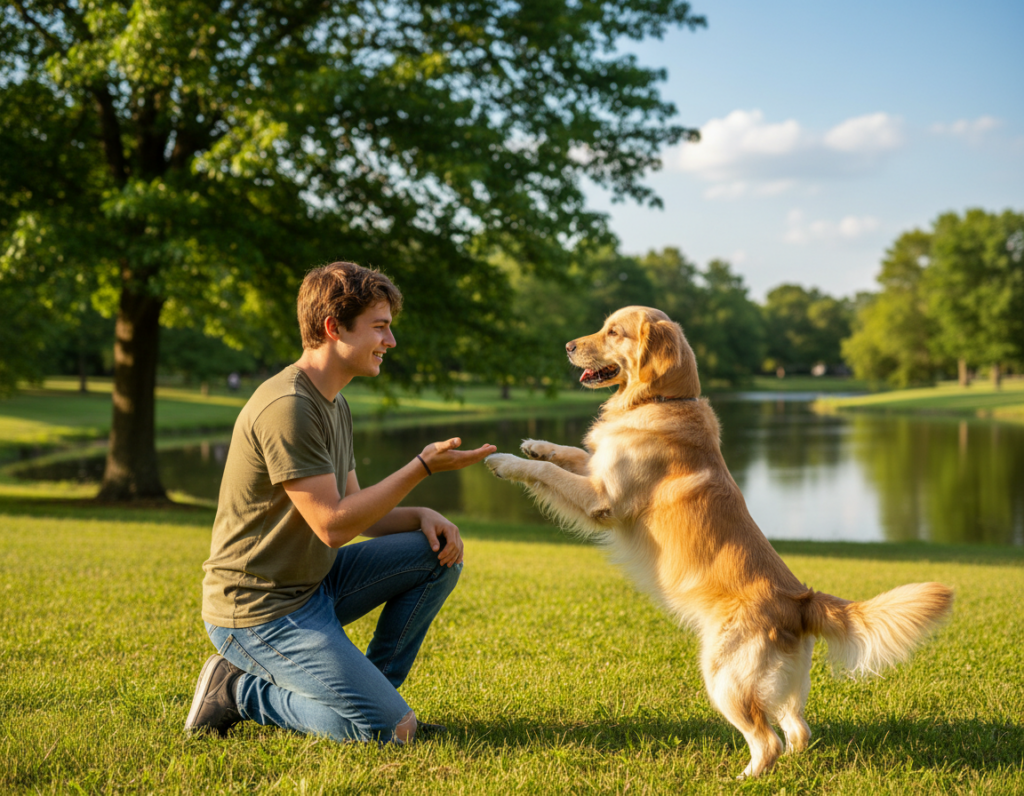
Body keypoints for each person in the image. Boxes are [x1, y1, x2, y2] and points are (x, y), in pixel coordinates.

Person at [185, 261, 496, 744]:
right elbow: (332, 526)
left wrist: (422, 515)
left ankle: (373, 699)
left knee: (437, 557)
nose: (390, 342)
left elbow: (356, 508)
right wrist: (421, 467)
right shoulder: (288, 406)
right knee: (391, 732)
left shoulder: (334, 401)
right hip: (258, 610)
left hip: (315, 587)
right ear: (334, 327)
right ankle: (239, 692)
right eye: (380, 327)